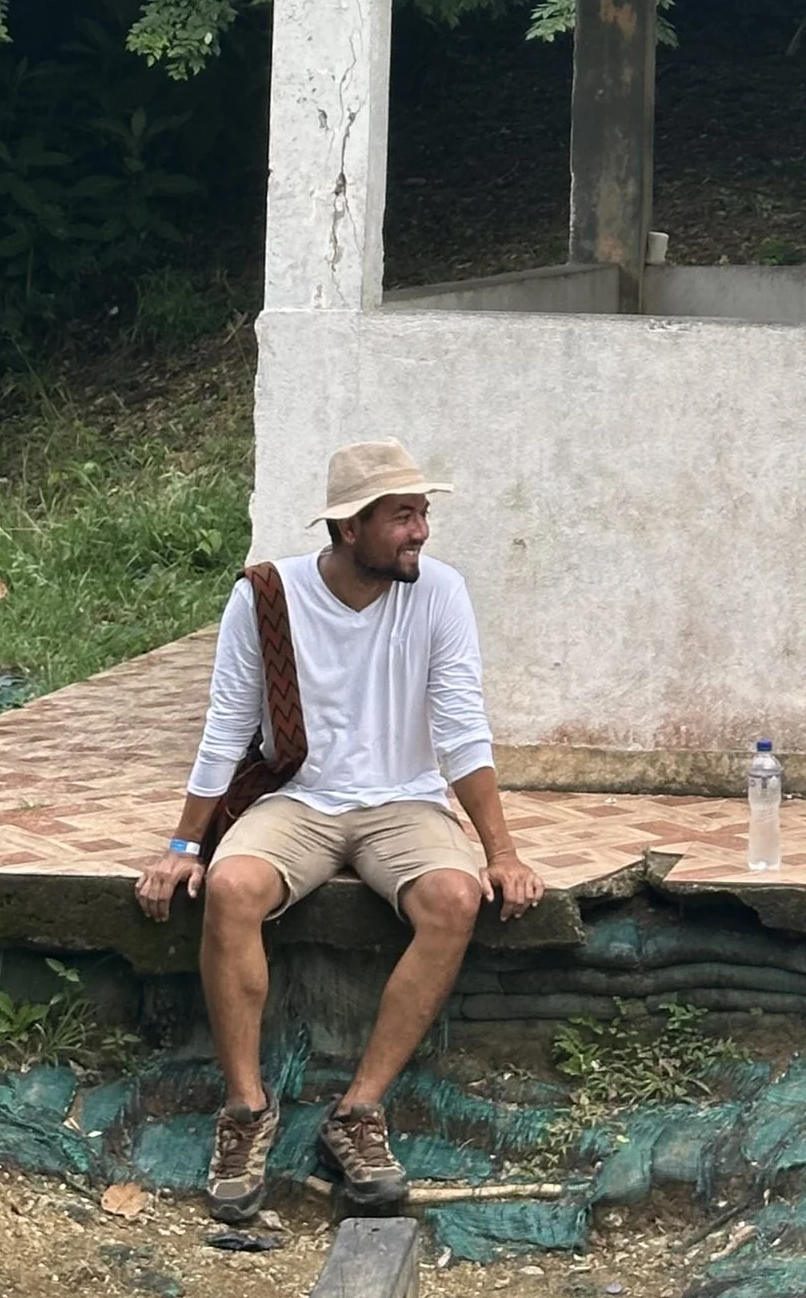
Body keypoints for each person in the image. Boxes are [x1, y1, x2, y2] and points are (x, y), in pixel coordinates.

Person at [134, 439, 545, 1221]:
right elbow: (226, 725)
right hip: (302, 798)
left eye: (423, 512)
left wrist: (503, 852)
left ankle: (358, 1113)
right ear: (350, 527)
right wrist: (183, 844)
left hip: (407, 801)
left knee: (455, 897)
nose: (420, 530)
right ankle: (247, 1109)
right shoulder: (266, 596)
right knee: (232, 884)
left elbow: (461, 731)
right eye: (403, 515)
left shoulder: (441, 594)